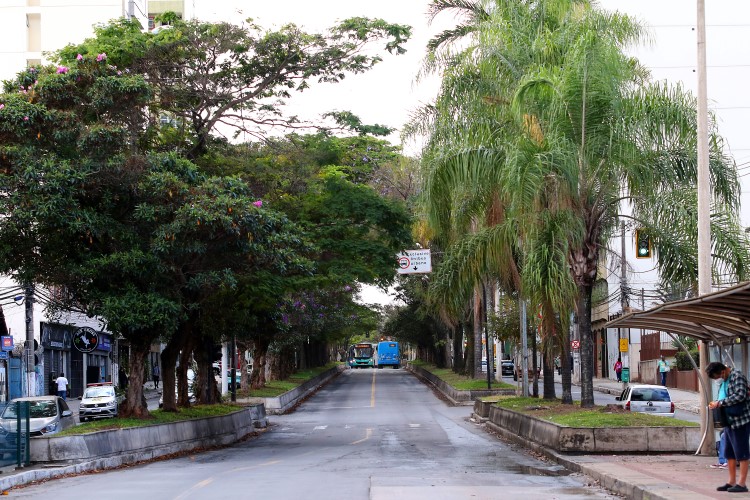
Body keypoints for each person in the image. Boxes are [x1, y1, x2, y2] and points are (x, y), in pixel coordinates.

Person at [707, 361, 750, 493]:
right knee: (729, 453)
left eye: (717, 377)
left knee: (742, 452)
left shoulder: (737, 376)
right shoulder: (724, 380)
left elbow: (740, 395)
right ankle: (731, 481)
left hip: (740, 421)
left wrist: (720, 403)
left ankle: (742, 483)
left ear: (723, 371)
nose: (717, 380)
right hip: (729, 421)